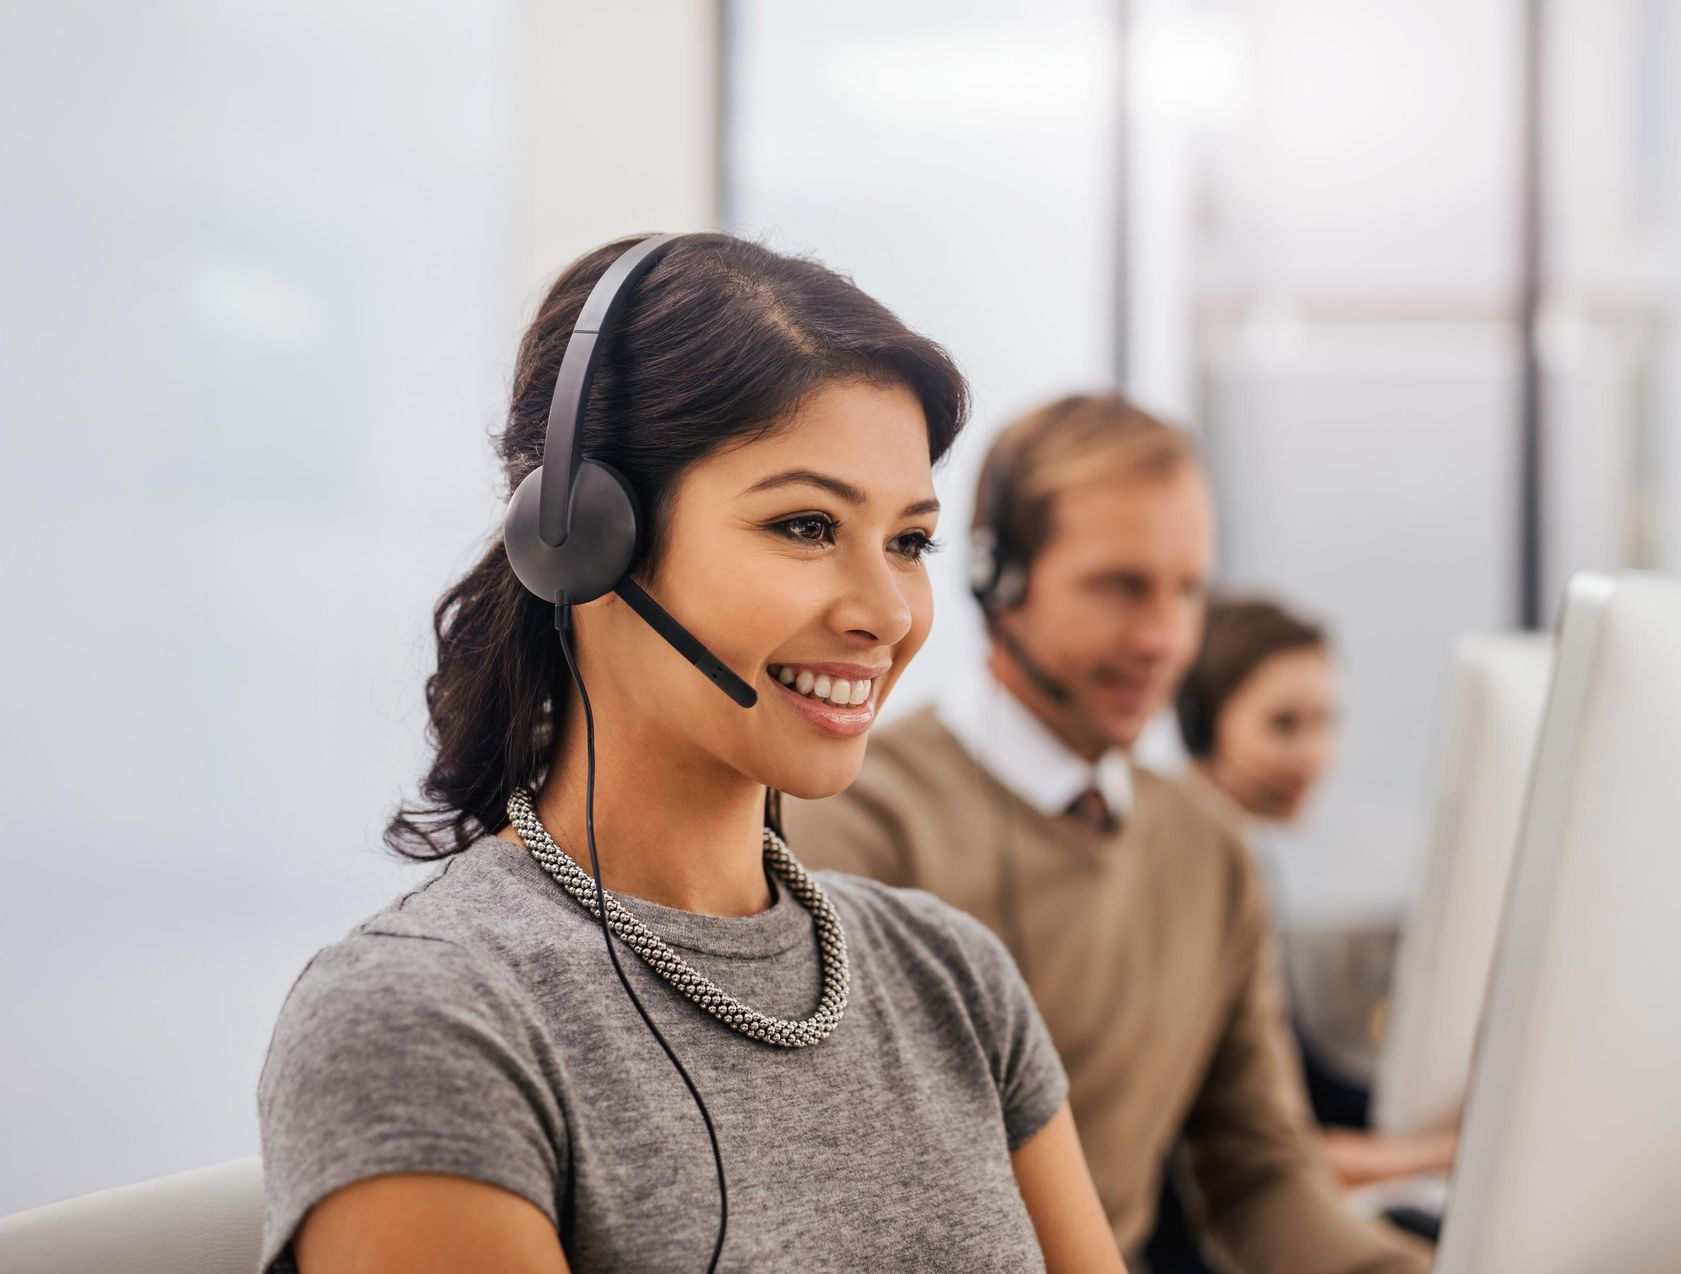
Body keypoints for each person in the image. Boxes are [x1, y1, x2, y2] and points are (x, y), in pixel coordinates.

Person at [256, 234, 1125, 1274]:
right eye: (806, 525)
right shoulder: (425, 1018)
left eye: (908, 541)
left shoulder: (954, 977)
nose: (888, 613)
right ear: (583, 538)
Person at [785, 394, 1428, 1273]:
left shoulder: (1208, 847)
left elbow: (1259, 1174)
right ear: (997, 580)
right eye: (1121, 587)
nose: (1164, 638)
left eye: (1188, 591)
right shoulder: (851, 822)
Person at [1176, 598, 1457, 1191]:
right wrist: (1440, 1154)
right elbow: (1252, 1147)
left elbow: (1308, 1088)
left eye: (1326, 723)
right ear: (1200, 722)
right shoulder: (1181, 885)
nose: (1317, 755)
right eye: (1284, 725)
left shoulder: (1246, 859)